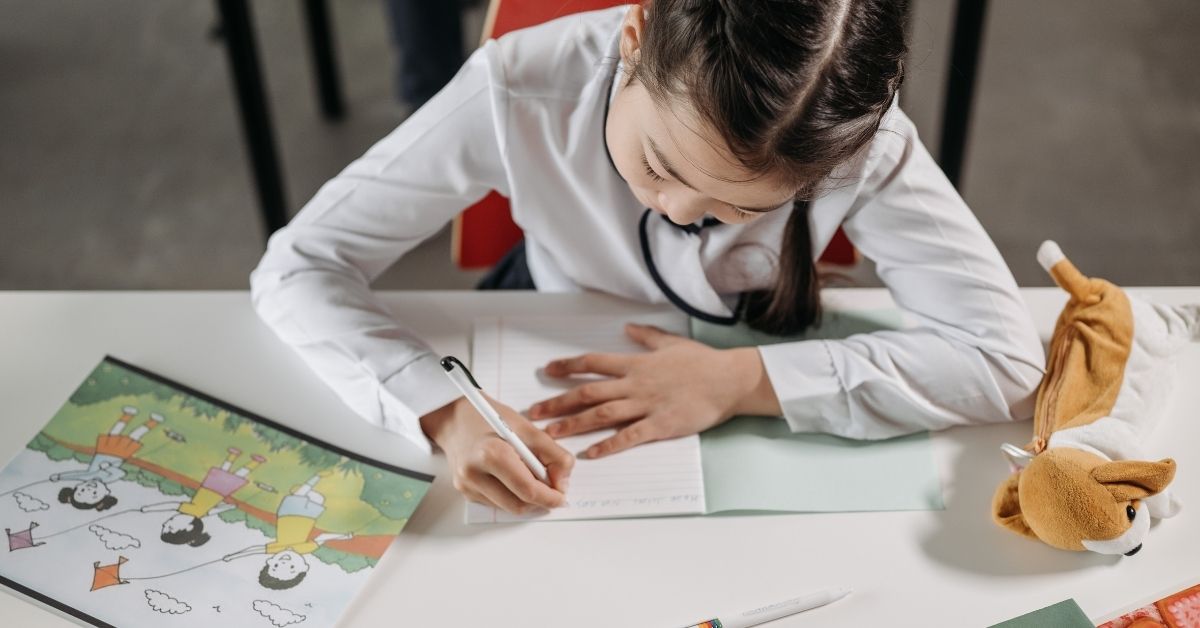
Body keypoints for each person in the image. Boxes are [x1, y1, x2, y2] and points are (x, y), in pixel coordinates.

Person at [250, 2, 1044, 516]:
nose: (680, 214)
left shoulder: (866, 147)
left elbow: (1003, 358)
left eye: (744, 208)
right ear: (633, 40)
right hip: (546, 328)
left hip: (760, 345)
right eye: (659, 165)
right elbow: (299, 266)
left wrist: (744, 381)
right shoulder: (519, 84)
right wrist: (442, 407)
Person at [221, 473, 351, 590]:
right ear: (303, 568)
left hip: (287, 514)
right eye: (291, 568)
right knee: (319, 499)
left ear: (270, 561)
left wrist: (233, 556)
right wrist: (342, 536)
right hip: (309, 517)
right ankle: (302, 489)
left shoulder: (276, 548)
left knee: (298, 495)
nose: (284, 562)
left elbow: (253, 550)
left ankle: (317, 477)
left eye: (276, 566)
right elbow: (323, 537)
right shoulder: (305, 549)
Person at [141, 447, 268, 547]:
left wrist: (228, 506)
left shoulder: (196, 513)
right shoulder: (189, 510)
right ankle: (254, 462)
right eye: (170, 527)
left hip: (209, 487)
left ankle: (235, 456)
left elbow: (212, 511)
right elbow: (171, 505)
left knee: (226, 472)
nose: (165, 522)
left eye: (165, 526)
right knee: (233, 475)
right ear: (188, 527)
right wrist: (148, 509)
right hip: (218, 491)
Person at [52, 407, 162, 510]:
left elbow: (75, 475)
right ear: (104, 494)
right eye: (94, 494)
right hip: (120, 454)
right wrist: (108, 468)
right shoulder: (108, 479)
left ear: (77, 487)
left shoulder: (88, 475)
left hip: (103, 451)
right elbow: (120, 473)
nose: (90, 489)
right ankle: (153, 422)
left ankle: (128, 415)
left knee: (113, 433)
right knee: (133, 437)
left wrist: (59, 477)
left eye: (82, 490)